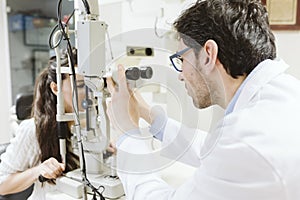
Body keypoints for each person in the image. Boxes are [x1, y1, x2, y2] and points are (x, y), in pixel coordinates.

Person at [106, 0, 300, 199]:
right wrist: (148, 115)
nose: (180, 74)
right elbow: (214, 150)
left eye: (181, 59)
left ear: (208, 54)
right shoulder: (283, 93)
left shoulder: (245, 139)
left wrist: (128, 133)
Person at [0, 48, 82, 199]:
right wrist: (38, 170)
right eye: (80, 85)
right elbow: (2, 185)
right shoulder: (34, 130)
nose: (88, 93)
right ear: (56, 88)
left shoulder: (92, 126)